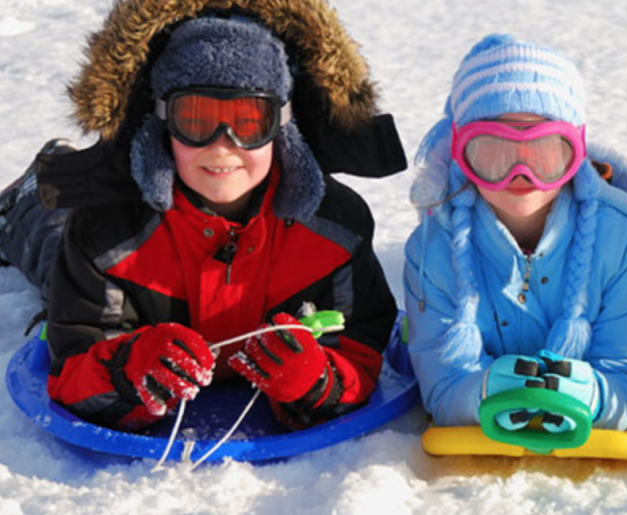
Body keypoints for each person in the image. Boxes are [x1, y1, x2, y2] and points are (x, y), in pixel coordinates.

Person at [0, 0, 408, 431]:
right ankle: (25, 198)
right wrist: (126, 367)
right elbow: (74, 365)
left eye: (248, 121)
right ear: (163, 123)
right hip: (112, 233)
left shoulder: (337, 229)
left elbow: (363, 346)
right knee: (54, 248)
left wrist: (318, 380)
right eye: (196, 119)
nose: (221, 146)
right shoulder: (107, 235)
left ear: (282, 126)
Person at [404, 34, 627, 433]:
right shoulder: (434, 248)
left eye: (545, 152)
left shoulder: (619, 240)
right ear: (460, 155)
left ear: (576, 153)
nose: (521, 174)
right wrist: (481, 392)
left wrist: (596, 397)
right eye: (493, 152)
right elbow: (443, 385)